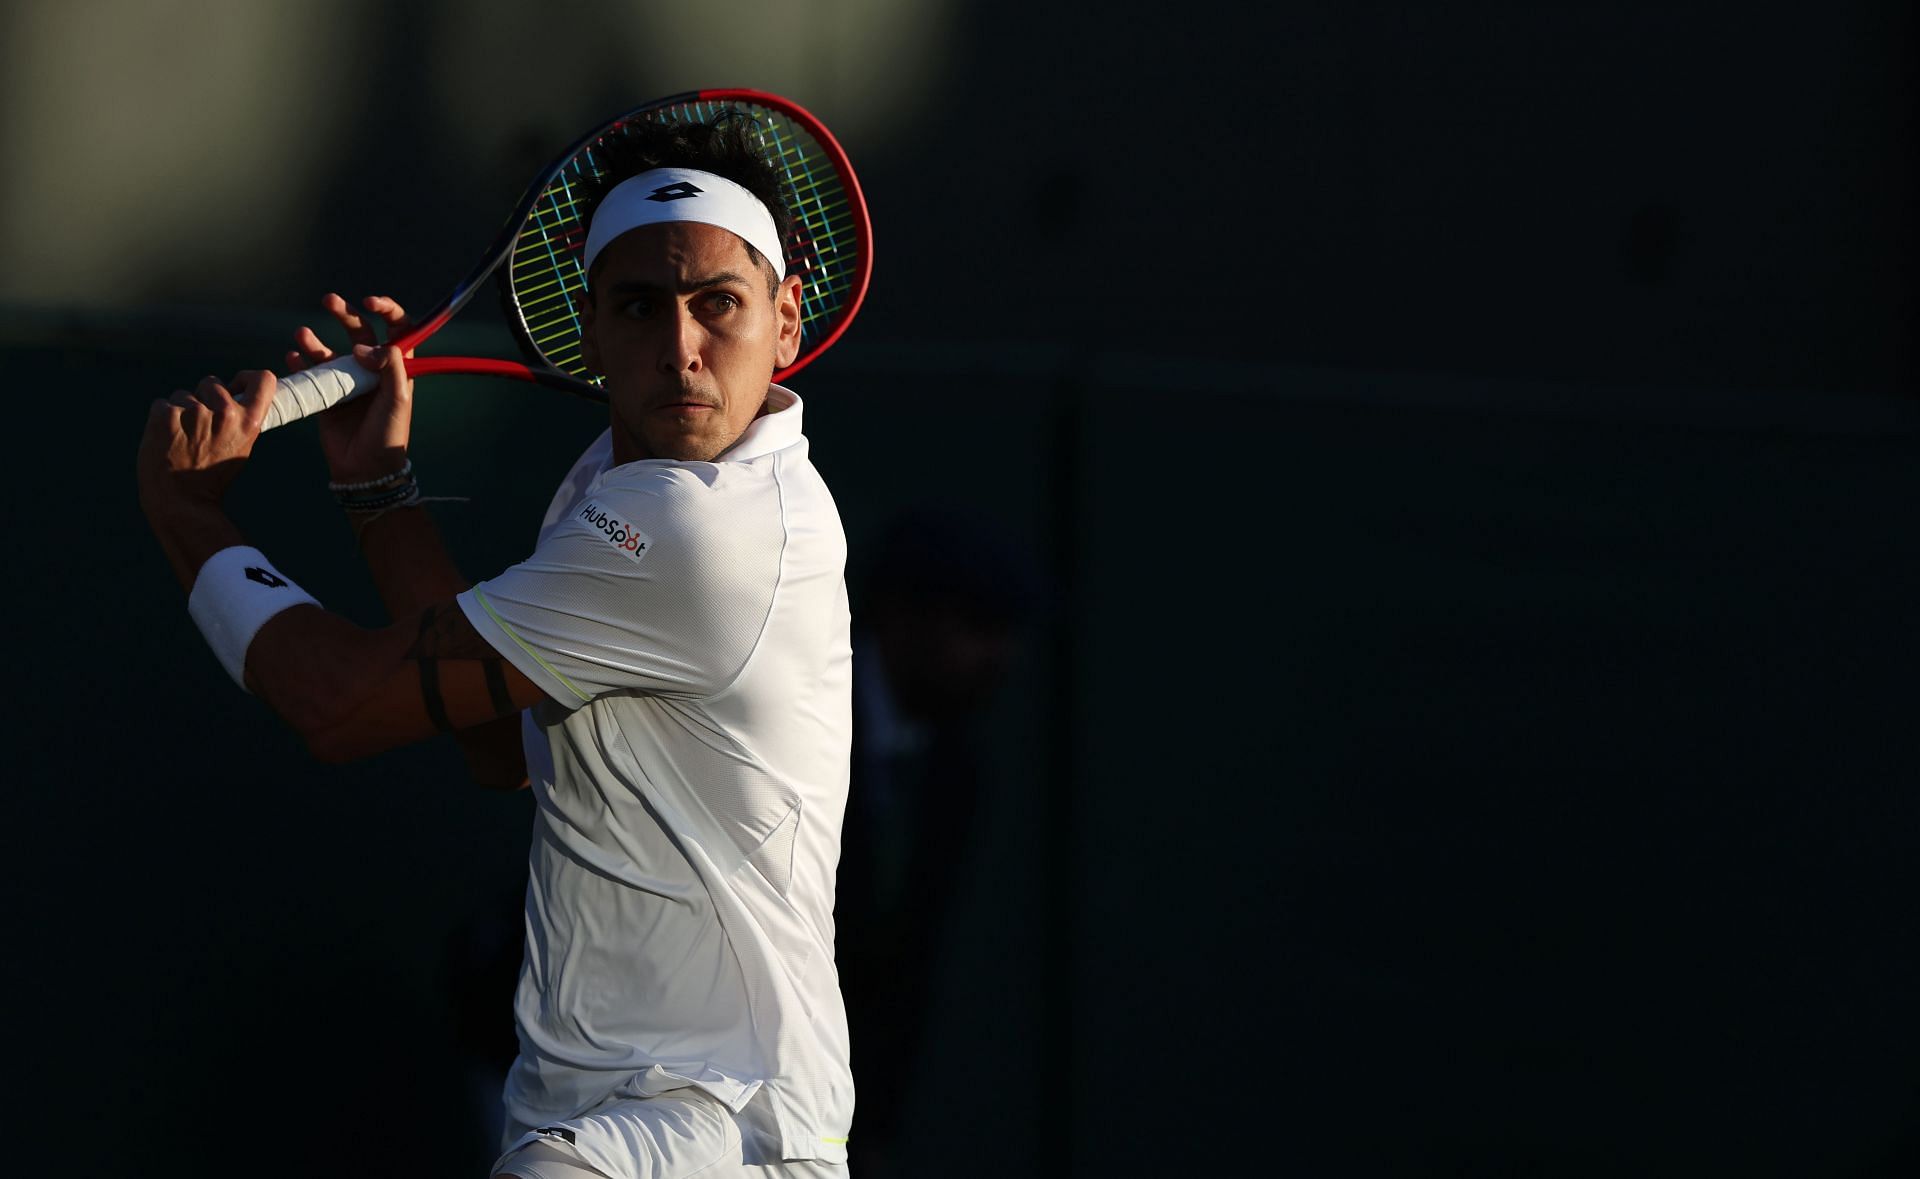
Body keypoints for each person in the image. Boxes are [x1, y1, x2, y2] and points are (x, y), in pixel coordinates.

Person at [135, 118, 854, 1179]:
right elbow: (499, 744)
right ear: (592, 327)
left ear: (786, 319)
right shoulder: (616, 489)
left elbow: (337, 704)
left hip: (717, 1131)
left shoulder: (697, 527)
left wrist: (190, 516)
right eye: (640, 306)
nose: (682, 345)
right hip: (622, 1119)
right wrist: (377, 486)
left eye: (720, 304)